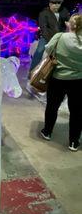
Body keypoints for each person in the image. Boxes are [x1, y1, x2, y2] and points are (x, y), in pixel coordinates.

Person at [40, 13, 82, 151]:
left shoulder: (60, 36)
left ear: (70, 24)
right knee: (77, 112)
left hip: (58, 78)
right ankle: (74, 142)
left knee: (52, 106)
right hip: (78, 81)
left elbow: (47, 49)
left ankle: (47, 132)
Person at [26, 0, 70, 101]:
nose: (56, 6)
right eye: (54, 4)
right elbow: (44, 28)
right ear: (50, 4)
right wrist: (51, 40)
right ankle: (32, 73)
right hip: (47, 37)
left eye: (58, 4)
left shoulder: (64, 11)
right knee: (40, 51)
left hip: (60, 36)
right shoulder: (43, 14)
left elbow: (68, 21)